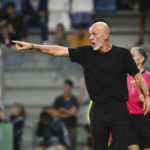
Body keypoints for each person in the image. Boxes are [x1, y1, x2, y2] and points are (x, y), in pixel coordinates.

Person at [12, 22, 150, 150]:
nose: (91, 37)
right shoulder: (86, 53)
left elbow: (138, 77)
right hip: (98, 111)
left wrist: (146, 95)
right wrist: (32, 46)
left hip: (119, 110)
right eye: (90, 34)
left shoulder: (123, 54)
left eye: (94, 34)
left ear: (106, 35)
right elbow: (57, 50)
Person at [127, 47, 150, 150]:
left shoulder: (149, 76)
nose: (129, 57)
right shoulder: (124, 76)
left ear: (141, 59)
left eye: (133, 55)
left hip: (145, 119)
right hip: (129, 120)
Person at [52, 79, 78, 150]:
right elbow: (54, 113)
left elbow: (73, 112)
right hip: (60, 127)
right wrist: (66, 114)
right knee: (60, 146)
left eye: (67, 87)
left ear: (71, 88)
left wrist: (63, 110)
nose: (65, 88)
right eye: (64, 86)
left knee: (72, 145)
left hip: (71, 127)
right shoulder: (58, 99)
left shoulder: (74, 99)